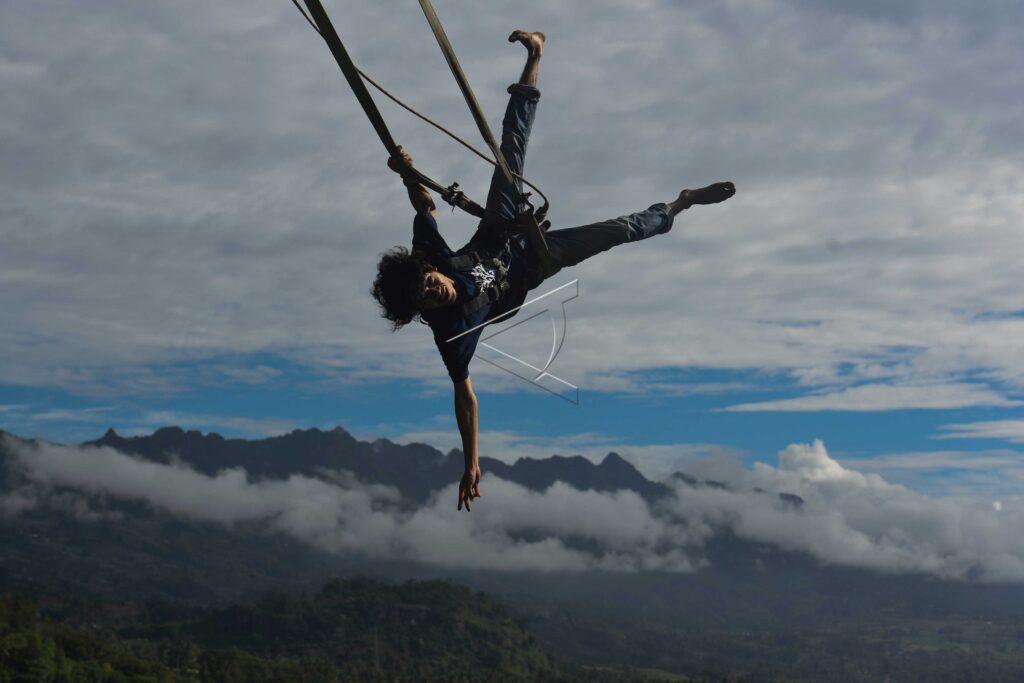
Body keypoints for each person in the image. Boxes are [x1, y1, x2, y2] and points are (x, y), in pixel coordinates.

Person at [370, 30, 735, 513]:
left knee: (510, 148)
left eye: (428, 281)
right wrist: (472, 461)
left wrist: (405, 170)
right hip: (536, 263)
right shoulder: (451, 333)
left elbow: (425, 207)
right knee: (619, 230)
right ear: (420, 310)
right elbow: (466, 402)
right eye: (427, 296)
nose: (434, 287)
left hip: (498, 233)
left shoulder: (430, 260)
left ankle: (536, 53)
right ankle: (680, 204)